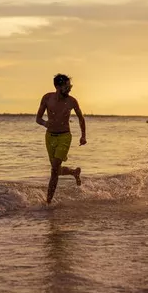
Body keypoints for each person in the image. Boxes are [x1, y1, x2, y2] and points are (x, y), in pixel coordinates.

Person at [36, 74, 86, 204]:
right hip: (50, 137)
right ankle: (73, 172)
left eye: (70, 86)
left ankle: (48, 202)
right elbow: (38, 119)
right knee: (55, 169)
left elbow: (81, 118)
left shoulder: (72, 101)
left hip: (65, 136)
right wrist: (45, 123)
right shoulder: (47, 98)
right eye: (66, 86)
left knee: (54, 170)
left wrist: (83, 136)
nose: (69, 89)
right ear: (58, 86)